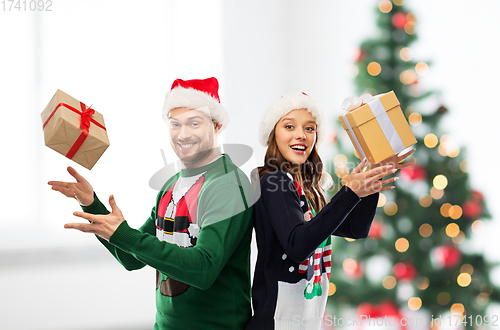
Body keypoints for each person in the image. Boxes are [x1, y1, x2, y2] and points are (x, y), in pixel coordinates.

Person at [48, 77, 254, 330]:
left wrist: (124, 234)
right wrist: (92, 205)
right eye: (175, 124)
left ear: (217, 125)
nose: (183, 134)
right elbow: (132, 258)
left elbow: (203, 269)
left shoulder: (227, 184)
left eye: (194, 123)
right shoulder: (172, 185)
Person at [246, 91, 414, 329]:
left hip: (304, 319)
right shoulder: (275, 181)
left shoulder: (305, 188)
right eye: (289, 126)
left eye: (309, 128)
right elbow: (297, 245)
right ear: (273, 133)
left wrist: (371, 179)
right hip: (277, 320)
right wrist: (350, 192)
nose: (300, 135)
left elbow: (356, 228)